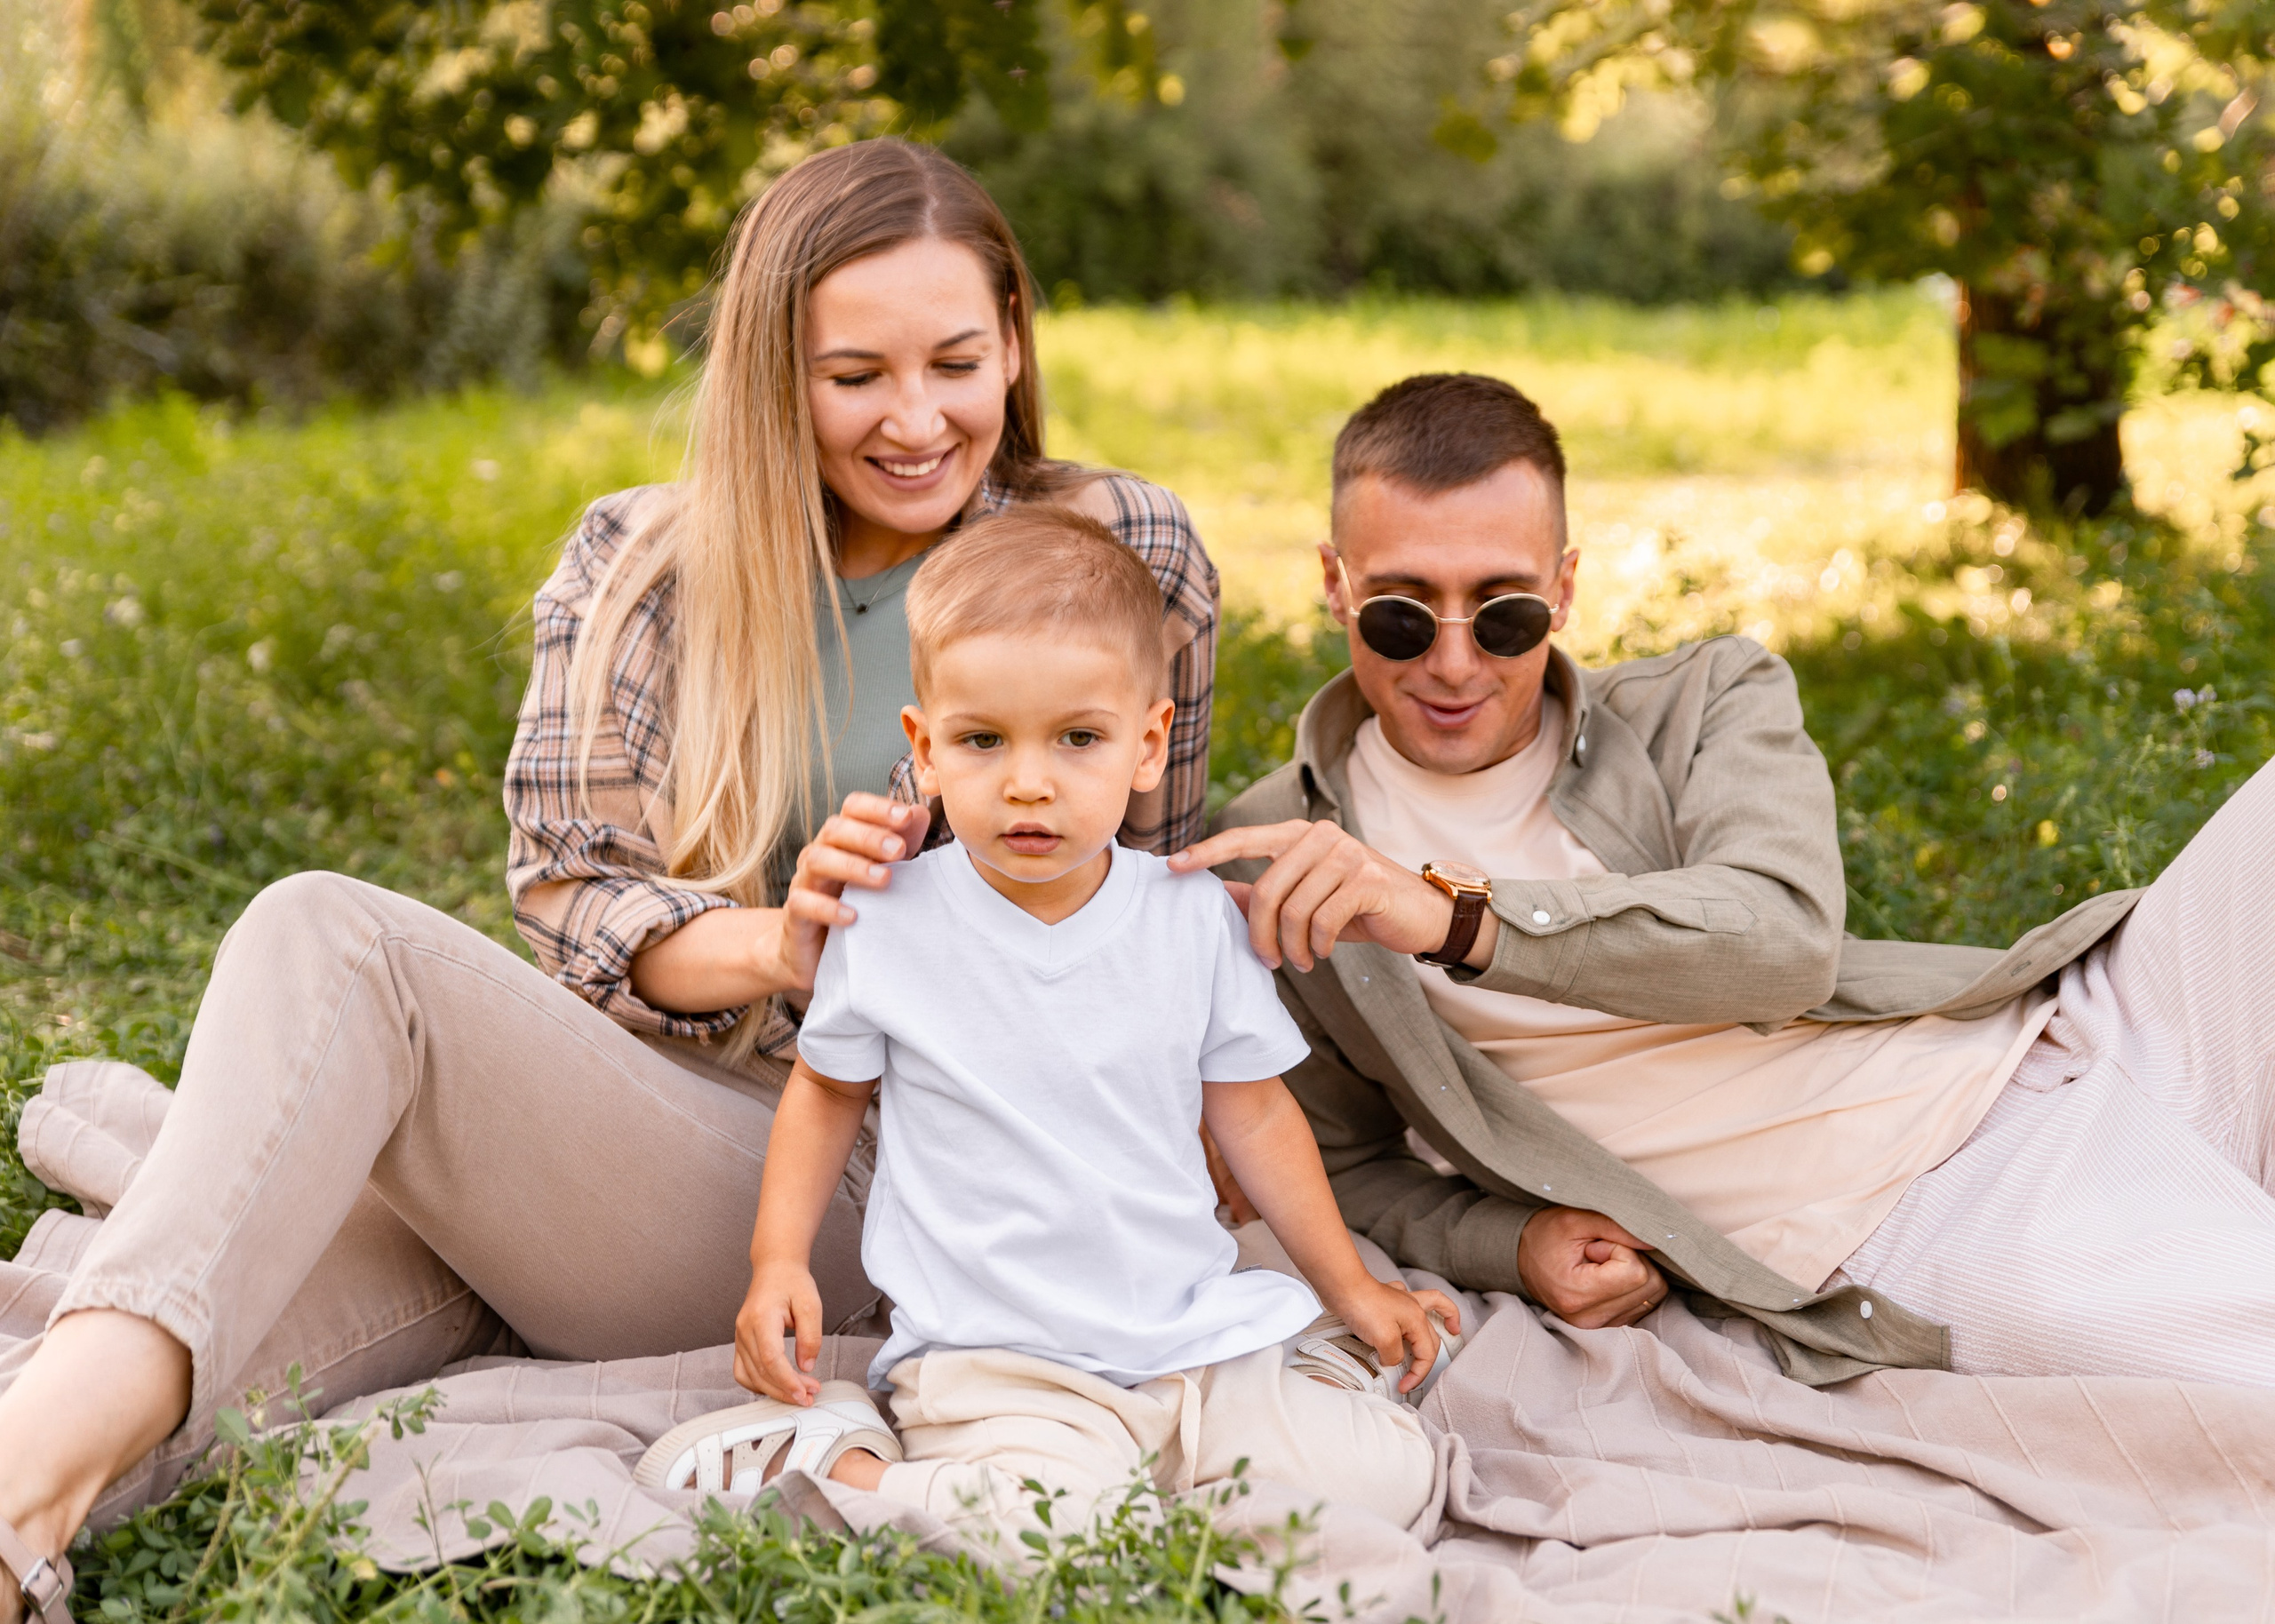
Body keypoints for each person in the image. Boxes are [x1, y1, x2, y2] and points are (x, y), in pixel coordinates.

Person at [0, 139, 1218, 1623]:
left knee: (337, 947)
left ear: (1015, 338)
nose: (919, 419)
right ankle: (20, 1525)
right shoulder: (645, 559)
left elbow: (1149, 912)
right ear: (775, 372)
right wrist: (785, 938)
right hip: (631, 1133)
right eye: (855, 376)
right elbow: (576, 903)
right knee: (220, 1316)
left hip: (894, 1177)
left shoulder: (1121, 549)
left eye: (958, 360)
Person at [1178, 370, 2275, 1389]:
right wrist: (1507, 1242)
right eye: (1401, 613)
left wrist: (1456, 918)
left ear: (1563, 591)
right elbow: (1337, 1159)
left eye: (1502, 612)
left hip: (2078, 1022)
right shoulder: (1281, 853)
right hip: (1911, 1211)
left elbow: (1781, 942)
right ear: (1333, 584)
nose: (1454, 662)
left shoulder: (1706, 699)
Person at [632, 508, 1450, 1547]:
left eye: (1077, 738)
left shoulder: (1192, 916)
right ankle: (837, 1456)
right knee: (1041, 1543)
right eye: (983, 740)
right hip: (997, 1362)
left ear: (1147, 743)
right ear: (924, 750)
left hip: (1188, 1339)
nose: (1029, 780)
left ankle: (1298, 1367)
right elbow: (827, 1091)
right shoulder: (887, 920)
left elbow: (1253, 1114)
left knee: (1387, 1478)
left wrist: (1348, 1284)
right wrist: (776, 1261)